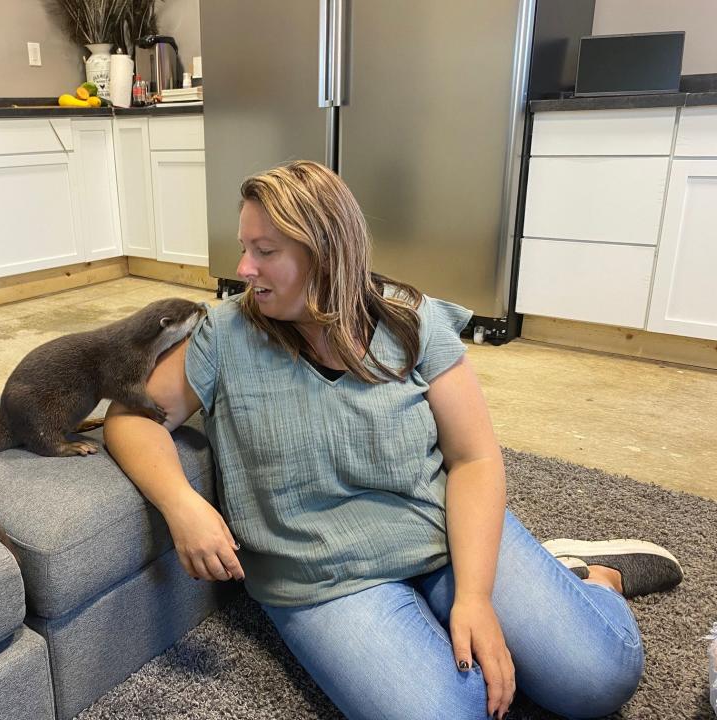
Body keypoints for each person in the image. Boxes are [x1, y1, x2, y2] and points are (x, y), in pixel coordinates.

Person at [103, 160, 683, 720]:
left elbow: (474, 457)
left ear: (326, 254)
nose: (244, 268)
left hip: (442, 532)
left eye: (265, 251)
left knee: (599, 680)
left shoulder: (412, 322)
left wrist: (475, 596)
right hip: (324, 577)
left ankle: (591, 577)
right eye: (244, 247)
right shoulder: (223, 334)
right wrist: (183, 504)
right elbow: (131, 418)